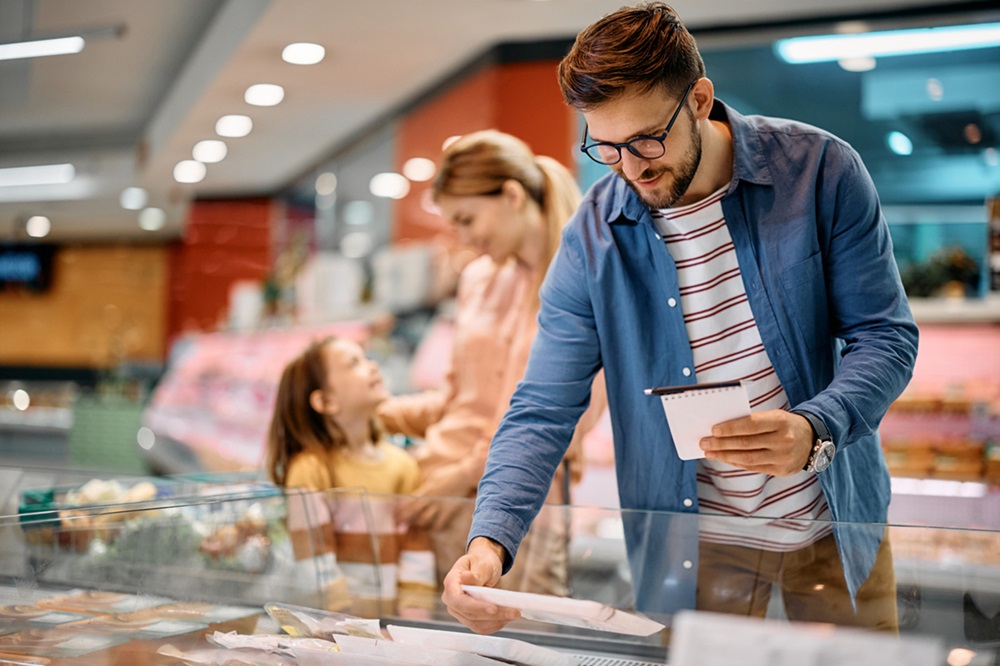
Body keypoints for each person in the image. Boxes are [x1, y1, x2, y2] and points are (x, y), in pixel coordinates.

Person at [442, 2, 918, 635]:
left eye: (646, 139)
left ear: (698, 99)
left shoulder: (820, 171)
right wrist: (489, 543)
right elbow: (543, 406)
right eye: (605, 148)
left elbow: (885, 336)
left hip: (834, 524)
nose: (631, 167)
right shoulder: (592, 235)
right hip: (696, 546)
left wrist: (815, 427)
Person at [377, 129, 607, 595]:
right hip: (436, 495)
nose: (463, 238)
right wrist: (379, 412)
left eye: (467, 219)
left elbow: (563, 418)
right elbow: (462, 397)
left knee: (522, 643)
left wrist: (461, 477)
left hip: (520, 512)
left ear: (511, 195)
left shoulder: (588, 279)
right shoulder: (478, 278)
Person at [266, 336, 435, 616]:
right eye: (354, 363)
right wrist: (343, 626)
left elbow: (416, 550)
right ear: (325, 401)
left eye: (367, 357)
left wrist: (414, 619)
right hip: (333, 629)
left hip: (389, 631)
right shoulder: (310, 468)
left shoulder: (403, 465)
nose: (372, 366)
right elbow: (315, 560)